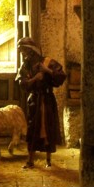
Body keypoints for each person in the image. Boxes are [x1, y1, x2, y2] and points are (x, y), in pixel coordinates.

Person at [15, 37, 66, 168]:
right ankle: (30, 160)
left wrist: (47, 70)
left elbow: (61, 76)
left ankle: (48, 160)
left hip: (47, 100)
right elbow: (22, 83)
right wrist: (35, 79)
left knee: (48, 128)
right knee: (33, 129)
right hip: (34, 100)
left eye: (24, 51)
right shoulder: (25, 66)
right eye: (22, 51)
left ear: (31, 51)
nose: (23, 54)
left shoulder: (48, 62)